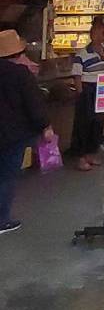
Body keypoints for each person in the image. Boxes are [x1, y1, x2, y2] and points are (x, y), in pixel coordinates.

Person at [0, 30, 54, 234]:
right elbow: (34, 105)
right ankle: (2, 219)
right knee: (7, 176)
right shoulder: (20, 74)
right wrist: (45, 126)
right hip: (13, 134)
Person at [70, 14, 104, 170]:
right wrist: (80, 93)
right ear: (92, 33)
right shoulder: (82, 54)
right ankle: (81, 156)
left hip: (102, 89)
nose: (102, 36)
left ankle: (91, 153)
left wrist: (102, 54)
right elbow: (77, 75)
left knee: (98, 122)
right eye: (100, 33)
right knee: (84, 123)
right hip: (88, 90)